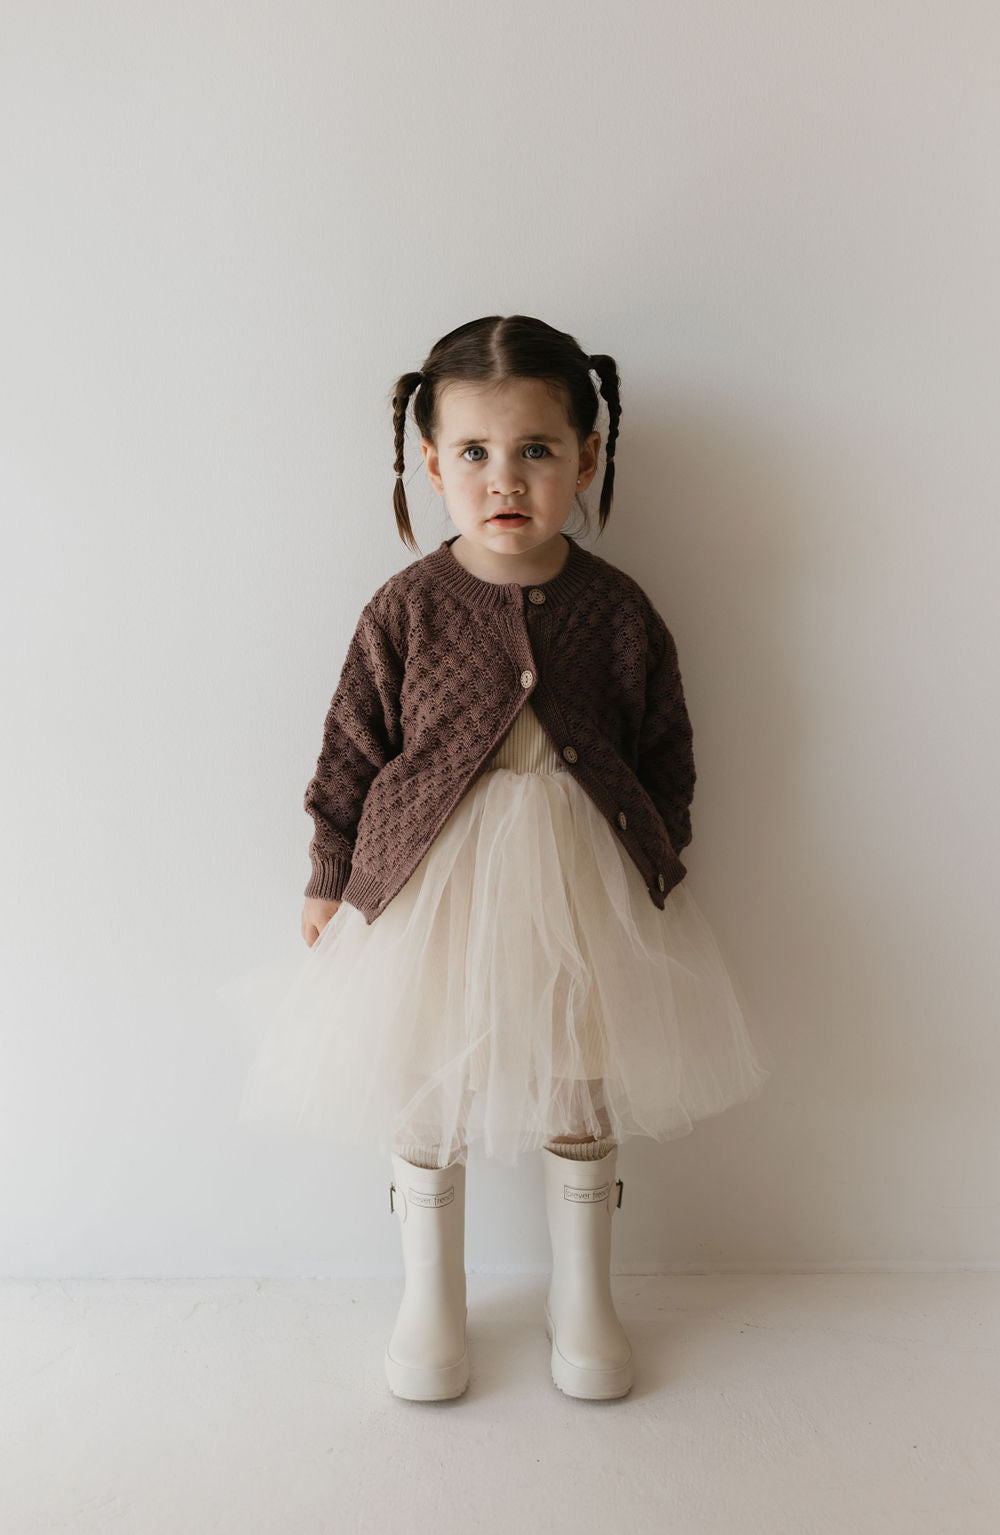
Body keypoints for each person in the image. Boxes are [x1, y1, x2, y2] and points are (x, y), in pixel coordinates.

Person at [233, 313, 773, 1403]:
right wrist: (328, 873)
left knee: (581, 1073)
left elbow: (665, 745)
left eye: (534, 448)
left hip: (581, 885)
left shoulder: (618, 611)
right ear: (430, 464)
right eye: (473, 452)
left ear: (587, 457)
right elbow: (351, 747)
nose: (504, 477)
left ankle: (583, 1300)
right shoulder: (406, 608)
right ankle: (431, 1304)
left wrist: (659, 853)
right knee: (424, 1080)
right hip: (426, 885)